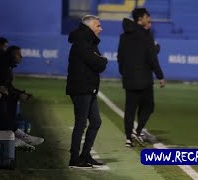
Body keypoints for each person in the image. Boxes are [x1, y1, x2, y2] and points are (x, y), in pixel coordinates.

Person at [117, 8, 166, 147]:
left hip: (129, 78)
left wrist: (124, 73)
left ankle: (128, 138)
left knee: (130, 109)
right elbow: (151, 58)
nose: (149, 18)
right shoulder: (145, 35)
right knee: (148, 106)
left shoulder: (124, 36)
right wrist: (160, 76)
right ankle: (137, 131)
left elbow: (120, 57)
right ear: (140, 19)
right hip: (144, 79)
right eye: (147, 16)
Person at [66, 15, 108, 168]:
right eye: (98, 25)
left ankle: (85, 155)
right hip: (81, 88)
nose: (101, 29)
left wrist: (100, 60)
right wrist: (103, 60)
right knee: (81, 123)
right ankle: (74, 158)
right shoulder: (83, 41)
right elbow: (96, 62)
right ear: (90, 27)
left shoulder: (87, 40)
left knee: (96, 121)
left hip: (88, 87)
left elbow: (96, 61)